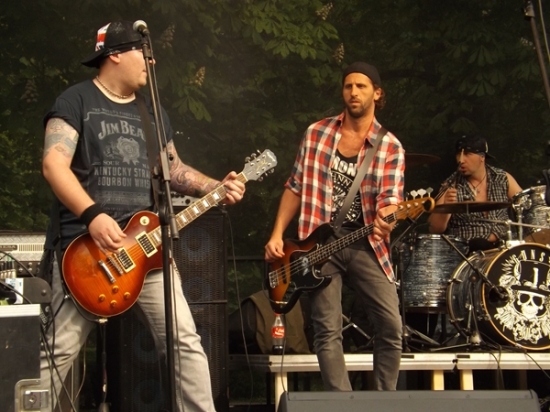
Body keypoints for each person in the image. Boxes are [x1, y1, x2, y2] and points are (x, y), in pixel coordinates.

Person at [39, 20, 245, 411]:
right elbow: (54, 165)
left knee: (184, 341)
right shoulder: (75, 101)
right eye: (144, 53)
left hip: (147, 251)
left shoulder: (152, 112)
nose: (151, 62)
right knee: (59, 350)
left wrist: (217, 187)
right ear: (115, 54)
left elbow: (173, 169)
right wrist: (93, 214)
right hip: (86, 252)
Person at [265, 62, 405, 391]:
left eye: (361, 86)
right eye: (348, 86)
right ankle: (342, 405)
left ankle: (384, 402)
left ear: (377, 93)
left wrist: (388, 217)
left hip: (366, 242)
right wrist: (277, 234)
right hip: (319, 244)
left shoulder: (390, 146)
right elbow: (295, 187)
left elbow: (391, 199)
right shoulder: (317, 133)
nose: (353, 92)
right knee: (326, 330)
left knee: (391, 327)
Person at [428, 134, 522, 251]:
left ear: (482, 157)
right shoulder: (451, 184)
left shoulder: (502, 178)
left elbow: (525, 205)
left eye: (467, 154)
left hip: (504, 249)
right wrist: (447, 207)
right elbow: (434, 229)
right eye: (458, 154)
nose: (461, 160)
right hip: (469, 252)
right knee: (479, 244)